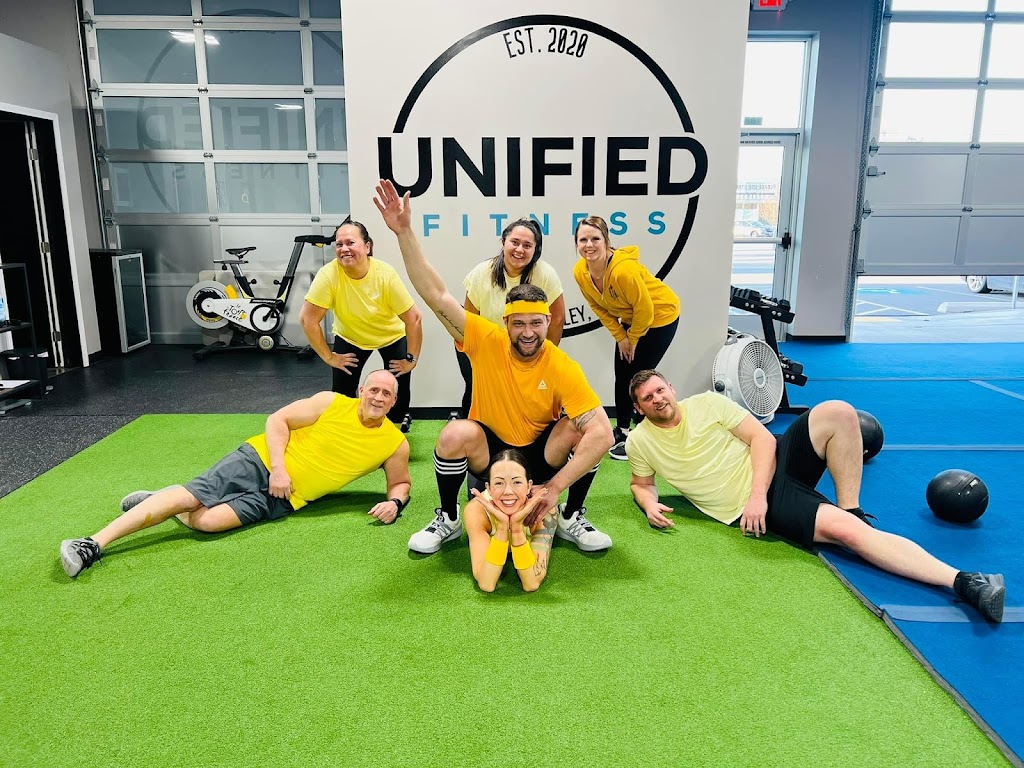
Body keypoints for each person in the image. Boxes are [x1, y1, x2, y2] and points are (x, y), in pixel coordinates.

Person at [625, 369, 1007, 623]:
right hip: (755, 502)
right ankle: (967, 581)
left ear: (671, 388)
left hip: (769, 467)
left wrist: (758, 494)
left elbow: (762, 439)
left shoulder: (707, 403)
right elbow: (641, 483)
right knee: (847, 534)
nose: (657, 398)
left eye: (660, 389)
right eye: (647, 397)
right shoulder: (641, 442)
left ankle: (851, 507)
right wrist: (648, 503)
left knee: (838, 411)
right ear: (638, 408)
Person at [372, 179, 614, 554]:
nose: (528, 332)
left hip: (543, 455)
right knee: (454, 433)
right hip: (491, 453)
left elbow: (604, 434)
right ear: (506, 323)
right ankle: (448, 518)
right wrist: (404, 232)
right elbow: (435, 294)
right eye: (519, 323)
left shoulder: (562, 364)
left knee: (582, 430)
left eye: (536, 323)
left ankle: (571, 516)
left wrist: (554, 488)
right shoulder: (486, 340)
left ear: (548, 323)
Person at [59, 370, 411, 579]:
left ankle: (161, 502)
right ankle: (91, 543)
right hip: (260, 460)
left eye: (387, 393)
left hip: (288, 499)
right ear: (361, 391)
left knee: (207, 521)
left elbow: (400, 482)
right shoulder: (331, 402)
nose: (378, 397)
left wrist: (395, 503)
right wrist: (278, 469)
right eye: (374, 389)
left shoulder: (394, 443)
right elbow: (278, 420)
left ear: (394, 402)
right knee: (192, 497)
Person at [300, 217, 423, 431]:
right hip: (350, 336)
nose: (344, 249)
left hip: (390, 336)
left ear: (367, 247)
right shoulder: (329, 275)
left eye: (350, 243)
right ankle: (348, 432)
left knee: (398, 386)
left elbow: (414, 318)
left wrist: (411, 359)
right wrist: (328, 357)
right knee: (342, 393)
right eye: (339, 244)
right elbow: (308, 319)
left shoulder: (385, 274)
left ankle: (393, 431)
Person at [572, 216, 679, 461]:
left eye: (595, 239)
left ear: (606, 241)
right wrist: (621, 336)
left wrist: (633, 337)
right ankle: (622, 430)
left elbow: (646, 310)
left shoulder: (623, 271)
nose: (589, 245)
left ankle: (644, 435)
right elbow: (598, 307)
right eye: (583, 240)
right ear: (576, 243)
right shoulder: (580, 271)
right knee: (622, 373)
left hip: (660, 316)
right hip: (633, 321)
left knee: (640, 377)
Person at [456, 218, 566, 418]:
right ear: (503, 242)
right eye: (514, 242)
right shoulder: (481, 273)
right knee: (477, 398)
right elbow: (469, 321)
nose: (519, 250)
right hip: (484, 349)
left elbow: (557, 319)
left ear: (535, 250)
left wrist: (542, 354)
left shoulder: (545, 274)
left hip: (525, 349)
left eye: (527, 245)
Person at [466, 449, 557, 593]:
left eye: (517, 482)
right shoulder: (476, 511)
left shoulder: (544, 510)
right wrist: (502, 527)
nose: (508, 491)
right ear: (488, 488)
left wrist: (516, 528)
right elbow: (486, 583)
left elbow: (531, 583)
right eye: (499, 483)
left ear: (529, 486)